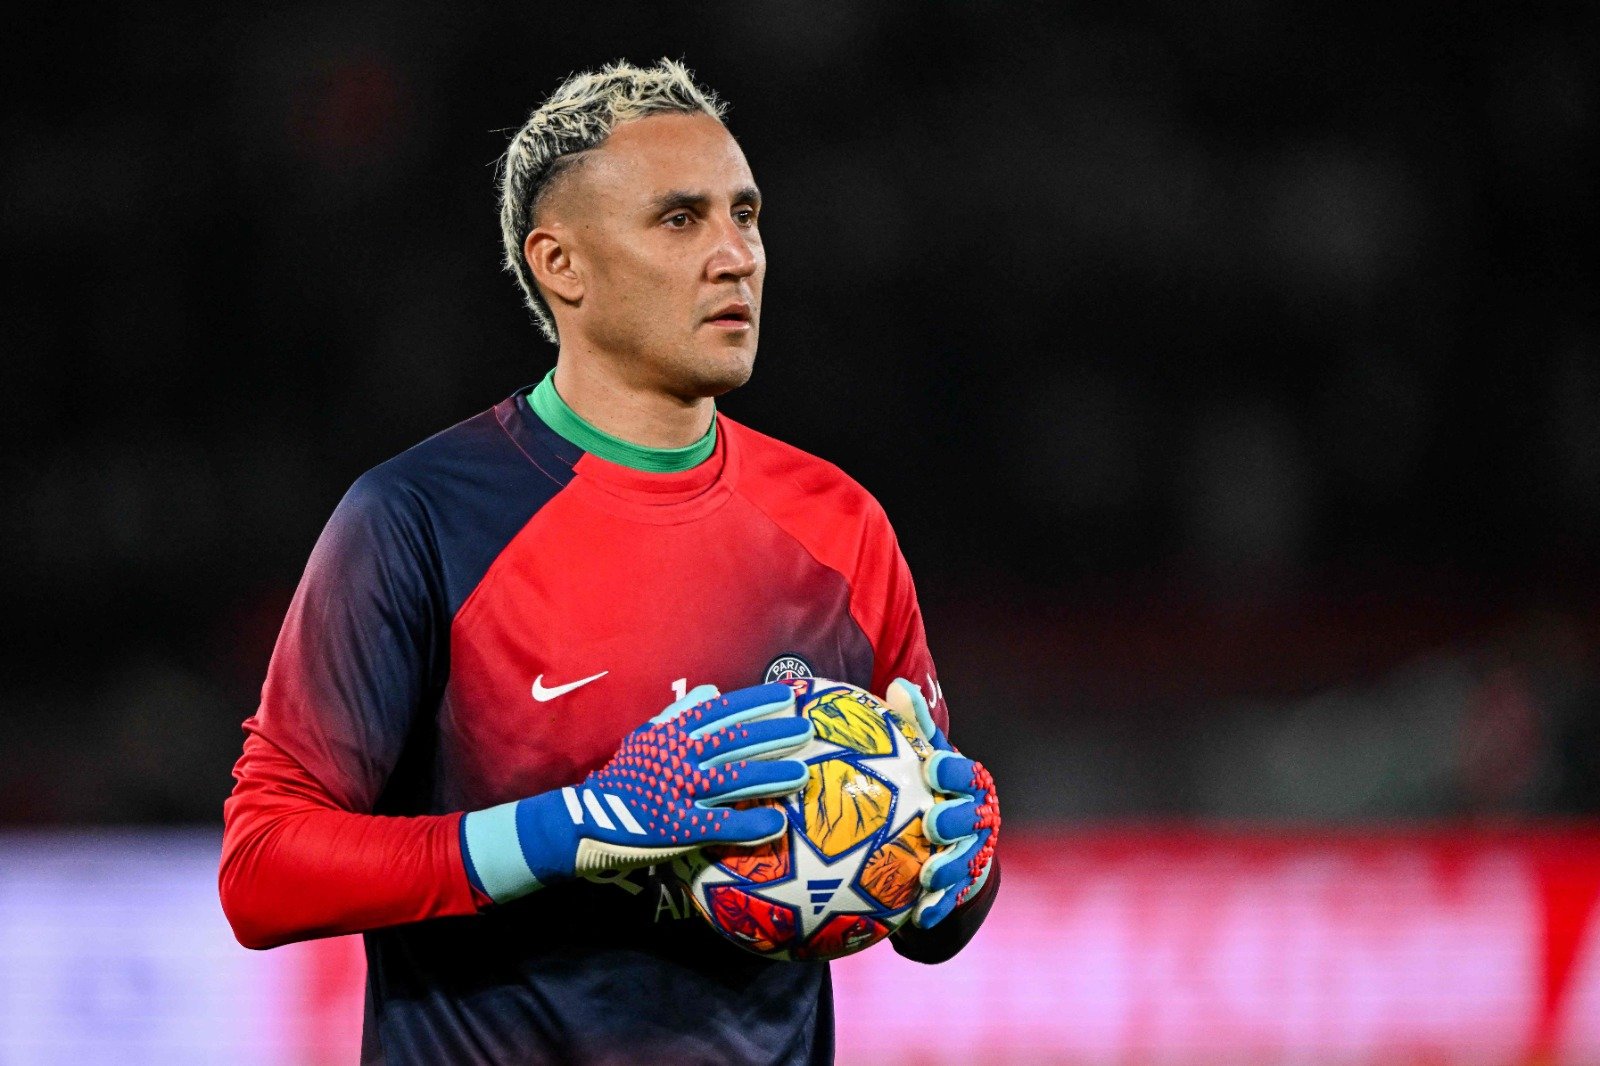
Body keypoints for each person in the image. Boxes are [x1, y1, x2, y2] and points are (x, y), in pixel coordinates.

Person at [219, 58, 1000, 1065]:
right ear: (562, 265)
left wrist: (957, 869)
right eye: (679, 219)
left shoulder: (839, 525)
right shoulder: (419, 517)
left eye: (746, 215)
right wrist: (574, 825)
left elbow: (921, 909)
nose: (736, 255)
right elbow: (264, 870)